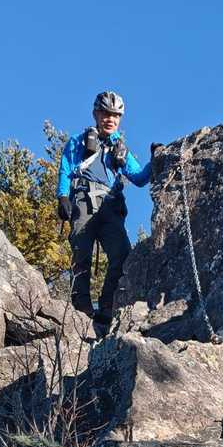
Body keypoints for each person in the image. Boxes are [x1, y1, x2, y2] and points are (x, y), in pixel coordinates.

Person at [57, 90, 151, 325]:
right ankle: (82, 307)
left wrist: (156, 159)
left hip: (110, 205)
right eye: (106, 113)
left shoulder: (120, 149)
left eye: (115, 115)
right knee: (81, 251)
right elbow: (66, 169)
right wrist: (63, 196)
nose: (110, 119)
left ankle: (108, 306)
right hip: (84, 202)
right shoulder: (79, 141)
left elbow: (139, 178)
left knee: (122, 254)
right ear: (96, 114)